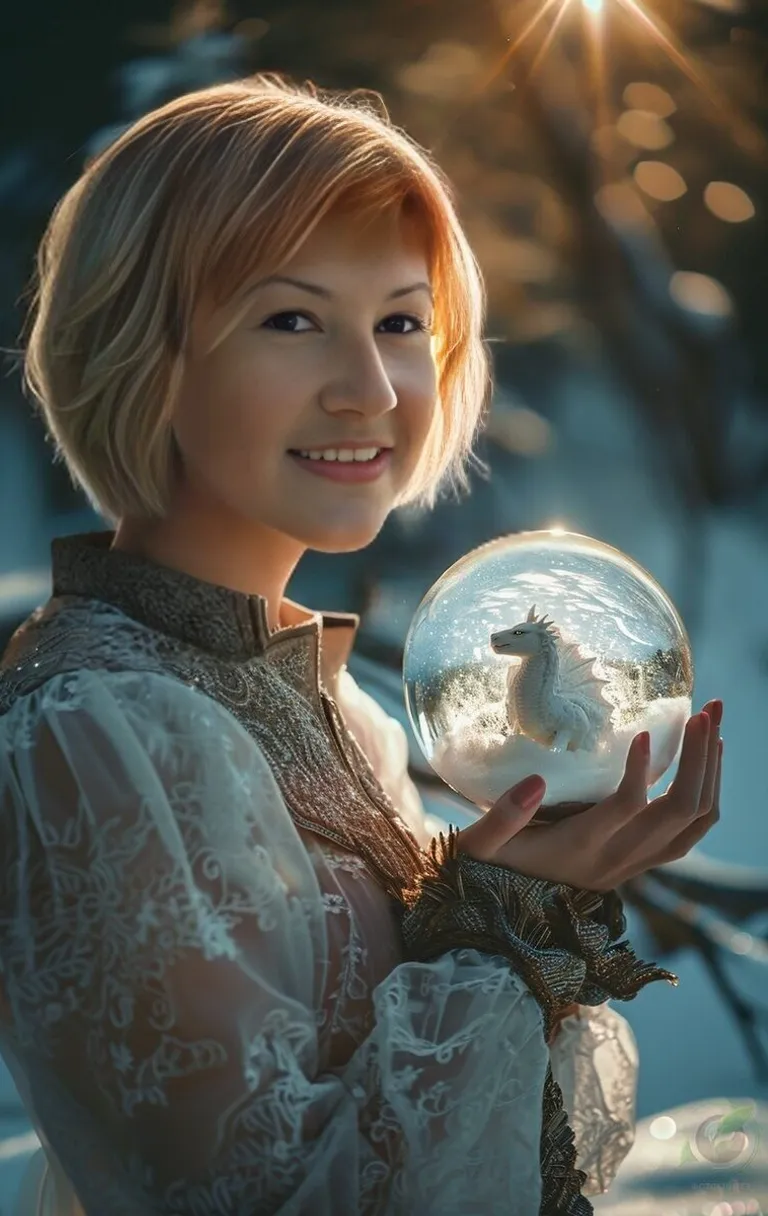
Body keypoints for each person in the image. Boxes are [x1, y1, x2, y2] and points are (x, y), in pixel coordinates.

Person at [0, 74, 722, 1215]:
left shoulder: (351, 718)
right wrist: (504, 929)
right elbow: (253, 1194)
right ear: (141, 345)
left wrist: (525, 896)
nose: (372, 388)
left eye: (399, 322)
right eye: (292, 319)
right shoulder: (99, 726)